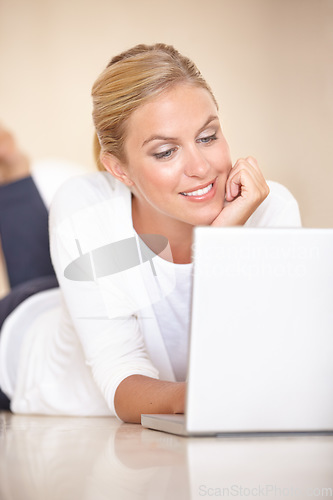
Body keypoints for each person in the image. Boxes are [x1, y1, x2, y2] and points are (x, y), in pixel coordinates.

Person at [0, 43, 301, 423]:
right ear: (119, 170)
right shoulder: (85, 206)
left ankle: (13, 176)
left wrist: (225, 242)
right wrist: (205, 393)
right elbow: (126, 382)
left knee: (59, 282)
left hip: (84, 287)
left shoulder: (269, 208)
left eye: (207, 137)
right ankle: (14, 177)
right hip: (24, 347)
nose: (201, 167)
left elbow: (268, 361)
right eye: (165, 152)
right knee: (38, 289)